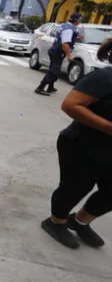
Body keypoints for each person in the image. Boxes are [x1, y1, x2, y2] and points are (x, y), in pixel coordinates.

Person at [41, 38, 112, 249]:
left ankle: (80, 221)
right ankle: (56, 222)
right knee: (75, 188)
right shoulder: (103, 78)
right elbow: (71, 105)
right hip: (82, 145)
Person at [35, 13, 83, 96]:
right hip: (58, 52)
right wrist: (69, 55)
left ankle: (50, 87)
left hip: (54, 50)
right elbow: (65, 44)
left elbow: (62, 36)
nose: (80, 21)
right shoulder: (69, 29)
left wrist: (77, 38)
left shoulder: (65, 25)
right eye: (80, 19)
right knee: (53, 71)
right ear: (75, 20)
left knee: (54, 70)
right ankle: (40, 88)